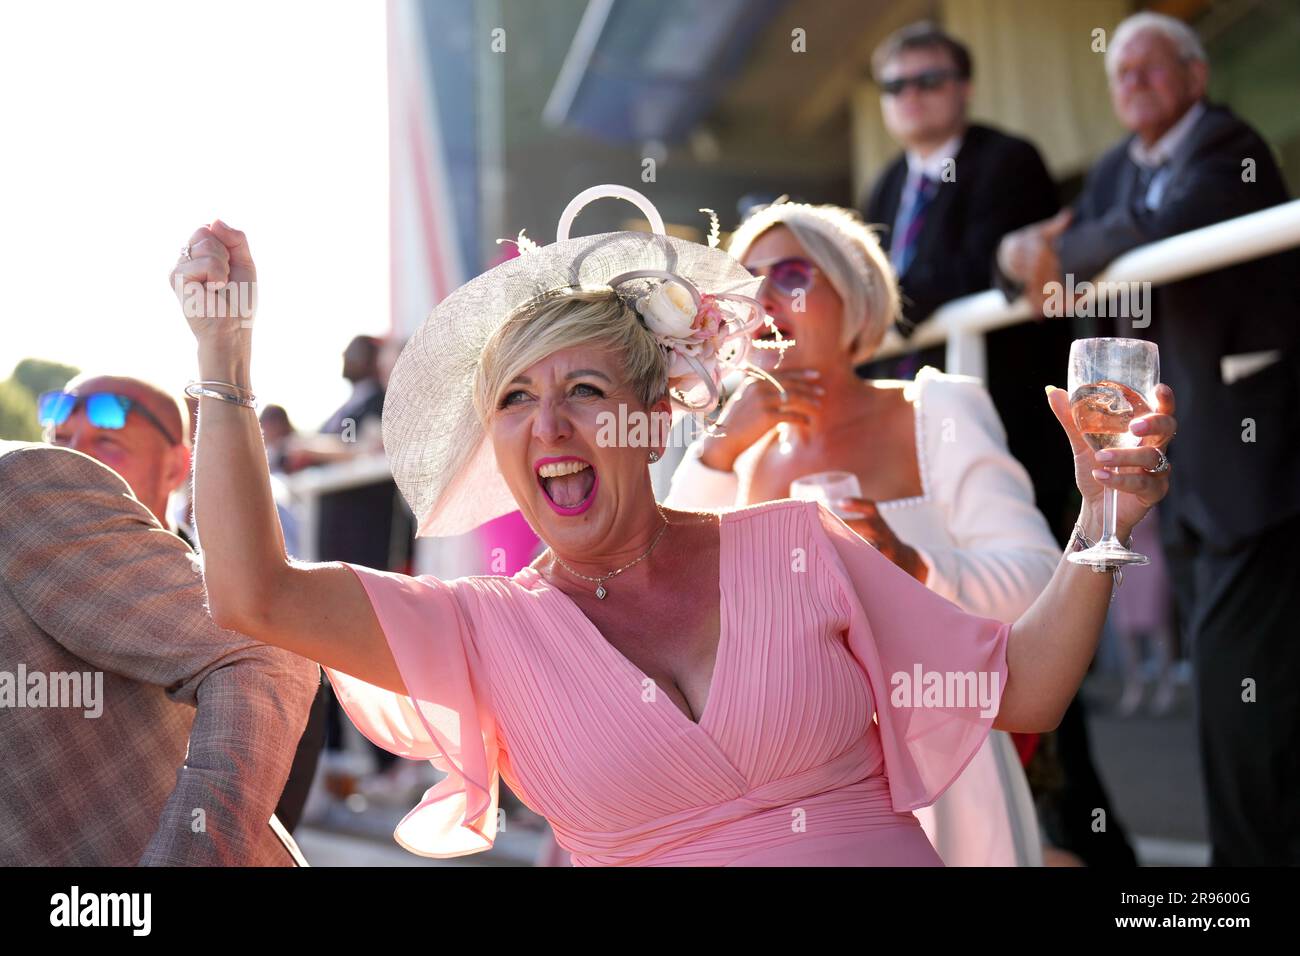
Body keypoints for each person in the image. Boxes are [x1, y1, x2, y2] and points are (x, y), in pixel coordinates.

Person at [168, 196, 1175, 866]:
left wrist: (1103, 512)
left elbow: (1027, 686)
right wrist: (224, 359)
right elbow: (252, 592)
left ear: (650, 419)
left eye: (585, 389)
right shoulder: (475, 627)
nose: (550, 423)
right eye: (515, 398)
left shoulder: (800, 544)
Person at [664, 200, 1055, 866]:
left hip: (943, 782)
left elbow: (1042, 585)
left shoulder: (933, 410)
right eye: (744, 283)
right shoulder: (737, 457)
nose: (763, 298)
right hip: (785, 800)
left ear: (853, 297)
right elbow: (669, 599)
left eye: (790, 275)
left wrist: (914, 565)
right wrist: (717, 452)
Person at [996, 11, 1300, 865]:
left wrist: (1058, 248)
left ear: (1196, 78)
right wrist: (1028, 249)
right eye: (1119, 72)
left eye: (1150, 67)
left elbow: (1150, 234)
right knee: (1235, 687)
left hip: (1259, 468)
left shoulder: (1228, 148)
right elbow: (1041, 252)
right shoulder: (1120, 169)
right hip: (1192, 466)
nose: (1130, 82)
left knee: (1246, 695)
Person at [0, 440, 319, 865]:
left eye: (109, 436)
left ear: (176, 463)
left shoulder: (17, 491)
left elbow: (266, 654)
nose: (73, 437)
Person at [859, 21, 1075, 538]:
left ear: (965, 88)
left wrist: (881, 308)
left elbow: (983, 265)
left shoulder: (1008, 160)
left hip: (1002, 416)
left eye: (928, 80)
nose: (910, 94)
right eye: (895, 86)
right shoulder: (886, 185)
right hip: (903, 430)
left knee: (1015, 583)